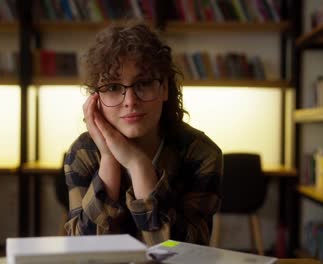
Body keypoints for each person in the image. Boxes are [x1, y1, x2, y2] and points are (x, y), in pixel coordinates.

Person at [63, 21, 223, 247]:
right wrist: (109, 159)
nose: (130, 102)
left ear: (164, 88)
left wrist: (138, 165)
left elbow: (185, 253)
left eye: (144, 83)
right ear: (95, 99)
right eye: (112, 87)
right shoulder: (82, 154)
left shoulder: (202, 154)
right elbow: (83, 249)